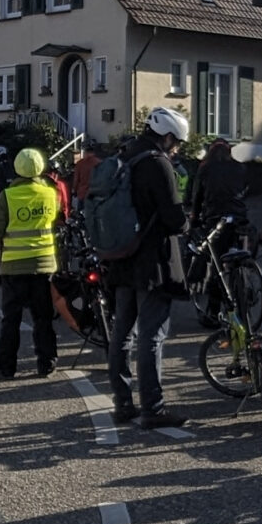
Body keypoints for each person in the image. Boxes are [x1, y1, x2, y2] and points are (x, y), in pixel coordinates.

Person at [105, 108, 196, 438]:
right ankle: (153, 409)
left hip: (121, 256)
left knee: (122, 334)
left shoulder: (124, 156)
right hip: (152, 261)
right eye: (178, 143)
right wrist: (186, 222)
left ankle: (122, 403)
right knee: (151, 336)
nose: (177, 150)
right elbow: (173, 217)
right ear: (168, 136)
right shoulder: (158, 164)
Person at [0, 145, 62, 382]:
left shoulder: (8, 196)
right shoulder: (51, 193)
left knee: (11, 319)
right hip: (43, 265)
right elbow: (55, 219)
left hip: (13, 265)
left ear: (16, 169)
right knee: (43, 317)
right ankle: (47, 362)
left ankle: (6, 367)